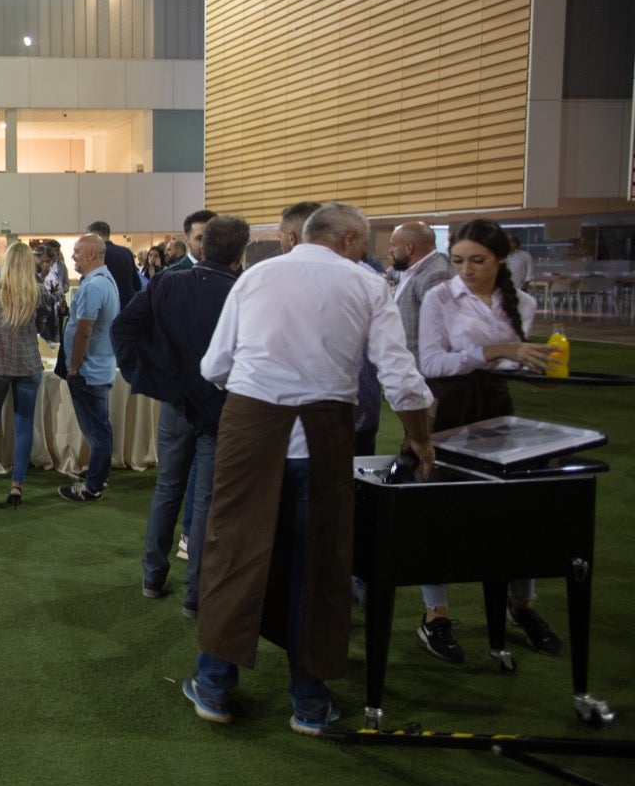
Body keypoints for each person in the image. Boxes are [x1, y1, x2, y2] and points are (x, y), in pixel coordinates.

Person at [182, 203, 434, 735]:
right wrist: (419, 437)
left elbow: (214, 366)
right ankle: (310, 702)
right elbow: (399, 377)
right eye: (364, 243)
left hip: (250, 428)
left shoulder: (256, 277)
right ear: (347, 239)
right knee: (320, 562)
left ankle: (214, 684)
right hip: (324, 435)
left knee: (232, 550)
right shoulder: (367, 285)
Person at [416, 217, 563, 661]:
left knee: (516, 511)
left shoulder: (522, 302)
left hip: (499, 414)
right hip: (449, 411)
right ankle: (435, 615)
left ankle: (523, 606)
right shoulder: (439, 298)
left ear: (501, 259)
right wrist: (499, 350)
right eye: (459, 260)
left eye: (477, 260)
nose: (467, 270)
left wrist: (535, 369)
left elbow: (511, 365)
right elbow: (432, 363)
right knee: (439, 514)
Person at [111, 215, 248, 617]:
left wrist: (157, 377)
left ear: (201, 244)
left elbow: (124, 329)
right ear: (240, 253)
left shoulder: (168, 282)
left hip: (178, 403)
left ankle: (153, 576)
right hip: (218, 408)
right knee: (203, 499)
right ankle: (195, 593)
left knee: (169, 489)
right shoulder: (241, 292)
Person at [0, 241, 44, 508]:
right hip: (28, 366)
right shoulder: (37, 292)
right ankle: (16, 487)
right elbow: (42, 324)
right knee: (23, 427)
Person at [58, 235, 120, 502]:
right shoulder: (105, 281)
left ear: (92, 254)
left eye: (77, 251)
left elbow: (84, 330)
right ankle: (98, 474)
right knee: (100, 427)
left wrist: (73, 367)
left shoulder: (94, 286)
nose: (73, 256)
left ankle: (93, 486)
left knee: (97, 431)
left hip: (88, 371)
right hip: (98, 367)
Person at [388, 220, 453, 369]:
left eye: (393, 245)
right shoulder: (413, 268)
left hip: (421, 370)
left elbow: (439, 336)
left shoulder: (436, 275)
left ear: (409, 248)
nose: (390, 251)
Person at [87, 221, 142, 310]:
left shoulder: (96, 254)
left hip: (106, 309)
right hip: (127, 308)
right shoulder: (126, 253)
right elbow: (137, 285)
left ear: (98, 234)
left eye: (89, 237)